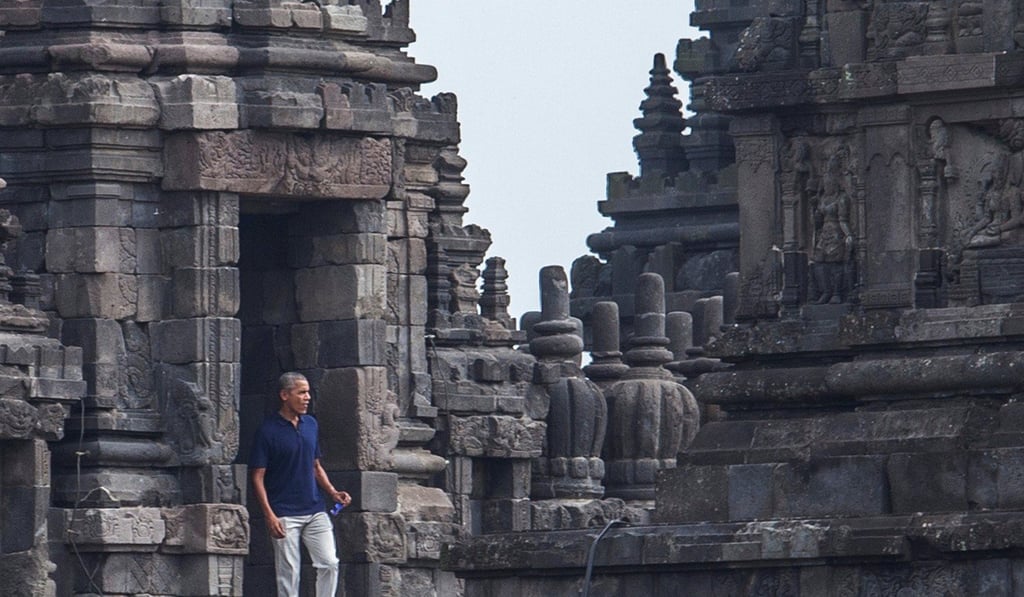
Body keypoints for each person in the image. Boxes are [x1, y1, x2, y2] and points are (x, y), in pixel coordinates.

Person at [250, 372, 352, 597]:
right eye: (301, 392)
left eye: (308, 393)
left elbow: (315, 466)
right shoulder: (267, 431)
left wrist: (333, 492)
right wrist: (269, 515)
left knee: (329, 563)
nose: (307, 398)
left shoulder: (311, 425)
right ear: (285, 395)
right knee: (289, 573)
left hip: (315, 509)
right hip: (284, 513)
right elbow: (257, 476)